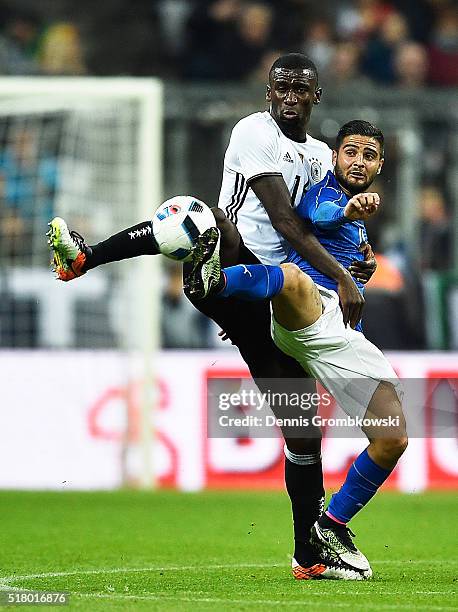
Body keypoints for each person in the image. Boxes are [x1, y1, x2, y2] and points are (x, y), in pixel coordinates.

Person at [48, 54, 377, 580]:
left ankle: (309, 554)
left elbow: (319, 226)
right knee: (198, 215)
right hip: (234, 260)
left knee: (301, 428)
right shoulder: (254, 132)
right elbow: (286, 222)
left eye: (301, 89)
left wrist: (358, 258)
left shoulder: (320, 156)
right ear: (268, 92)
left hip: (274, 303)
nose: (290, 97)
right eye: (281, 88)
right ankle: (86, 256)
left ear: (318, 97)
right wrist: (337, 275)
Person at [186, 119, 408, 578]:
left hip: (340, 337)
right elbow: (319, 215)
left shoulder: (360, 226)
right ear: (335, 155)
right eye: (351, 151)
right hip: (308, 312)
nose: (358, 161)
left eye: (369, 155)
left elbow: (347, 245)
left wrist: (360, 265)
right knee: (291, 278)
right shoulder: (325, 191)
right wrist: (350, 212)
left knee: (392, 438)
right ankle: (215, 283)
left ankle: (328, 529)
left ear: (380, 164)